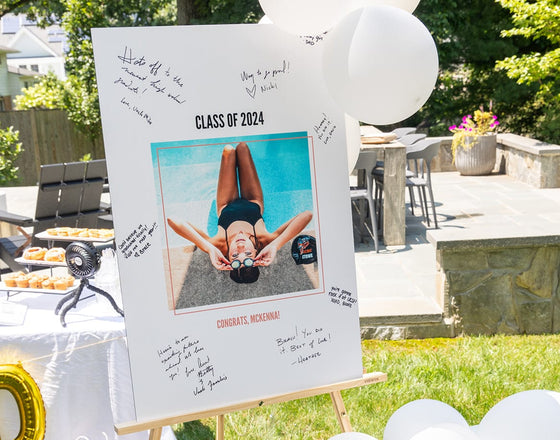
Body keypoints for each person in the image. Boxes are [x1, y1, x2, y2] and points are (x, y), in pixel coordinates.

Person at [167, 142, 313, 283]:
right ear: (256, 253)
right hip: (253, 199)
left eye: (235, 255)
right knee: (242, 147)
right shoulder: (265, 240)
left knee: (229, 151)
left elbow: (172, 220)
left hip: (226, 203)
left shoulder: (218, 245)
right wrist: (276, 245)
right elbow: (307, 215)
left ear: (227, 258)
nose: (241, 247)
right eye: (248, 254)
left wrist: (208, 248)